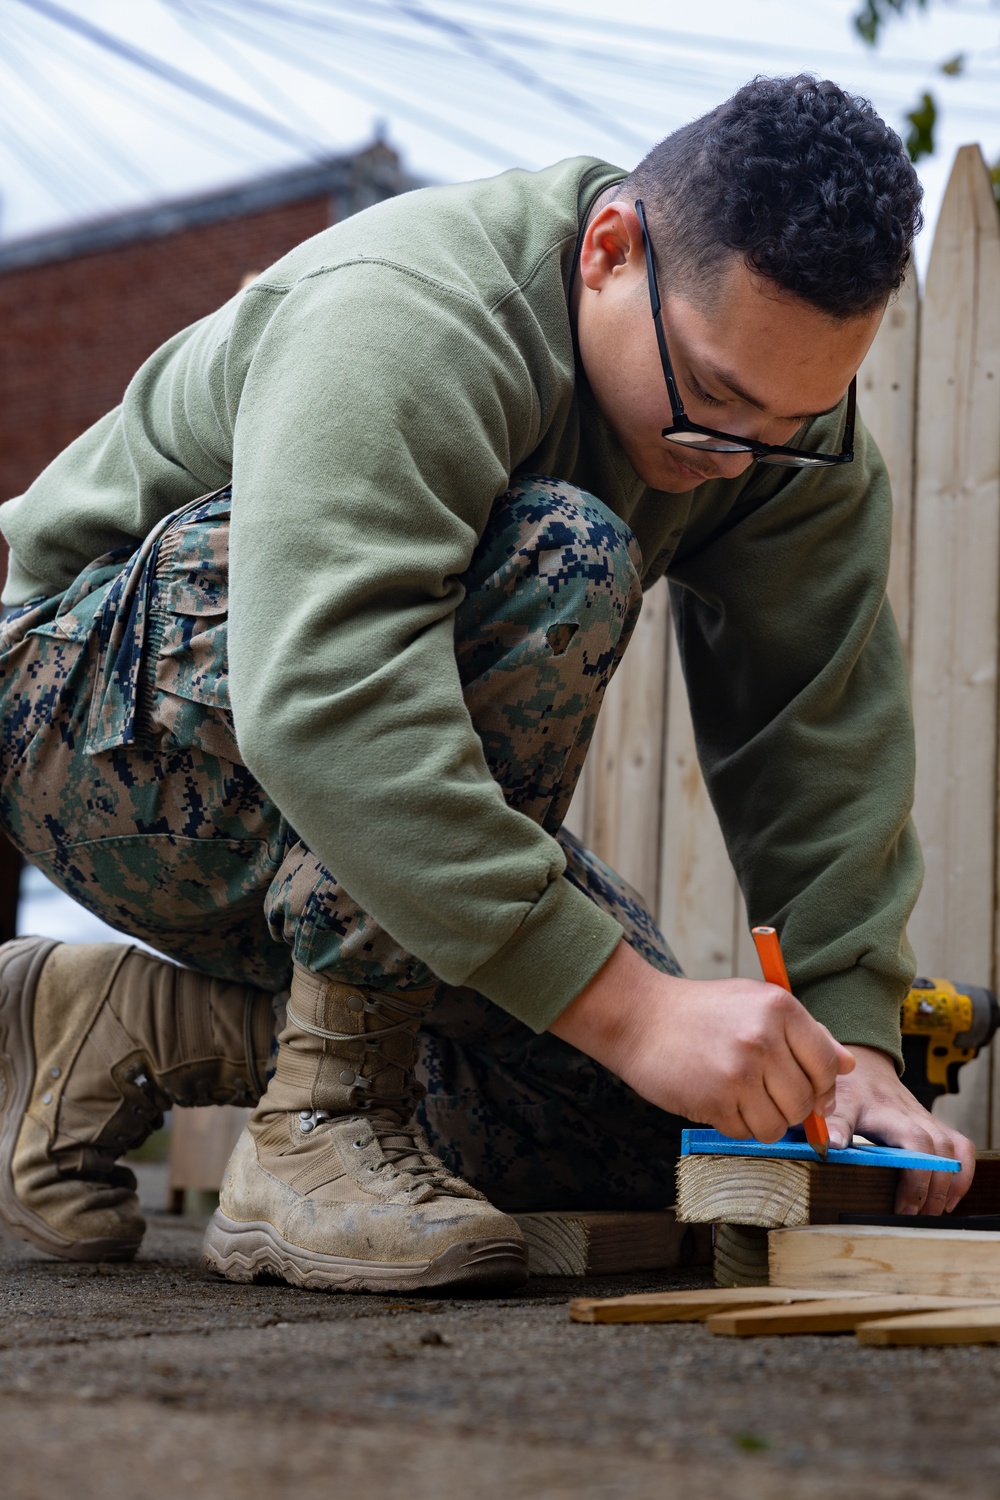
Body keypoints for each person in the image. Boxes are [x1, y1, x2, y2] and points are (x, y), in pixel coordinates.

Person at [0, 75, 975, 1294]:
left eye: (794, 420)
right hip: (83, 714)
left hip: (301, 766)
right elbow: (330, 693)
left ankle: (110, 1029)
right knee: (562, 556)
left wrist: (853, 1051)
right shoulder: (417, 312)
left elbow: (814, 728)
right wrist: (631, 1010)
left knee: (643, 1131)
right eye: (716, 399)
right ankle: (317, 1131)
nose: (743, 458)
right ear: (610, 254)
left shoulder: (776, 432)